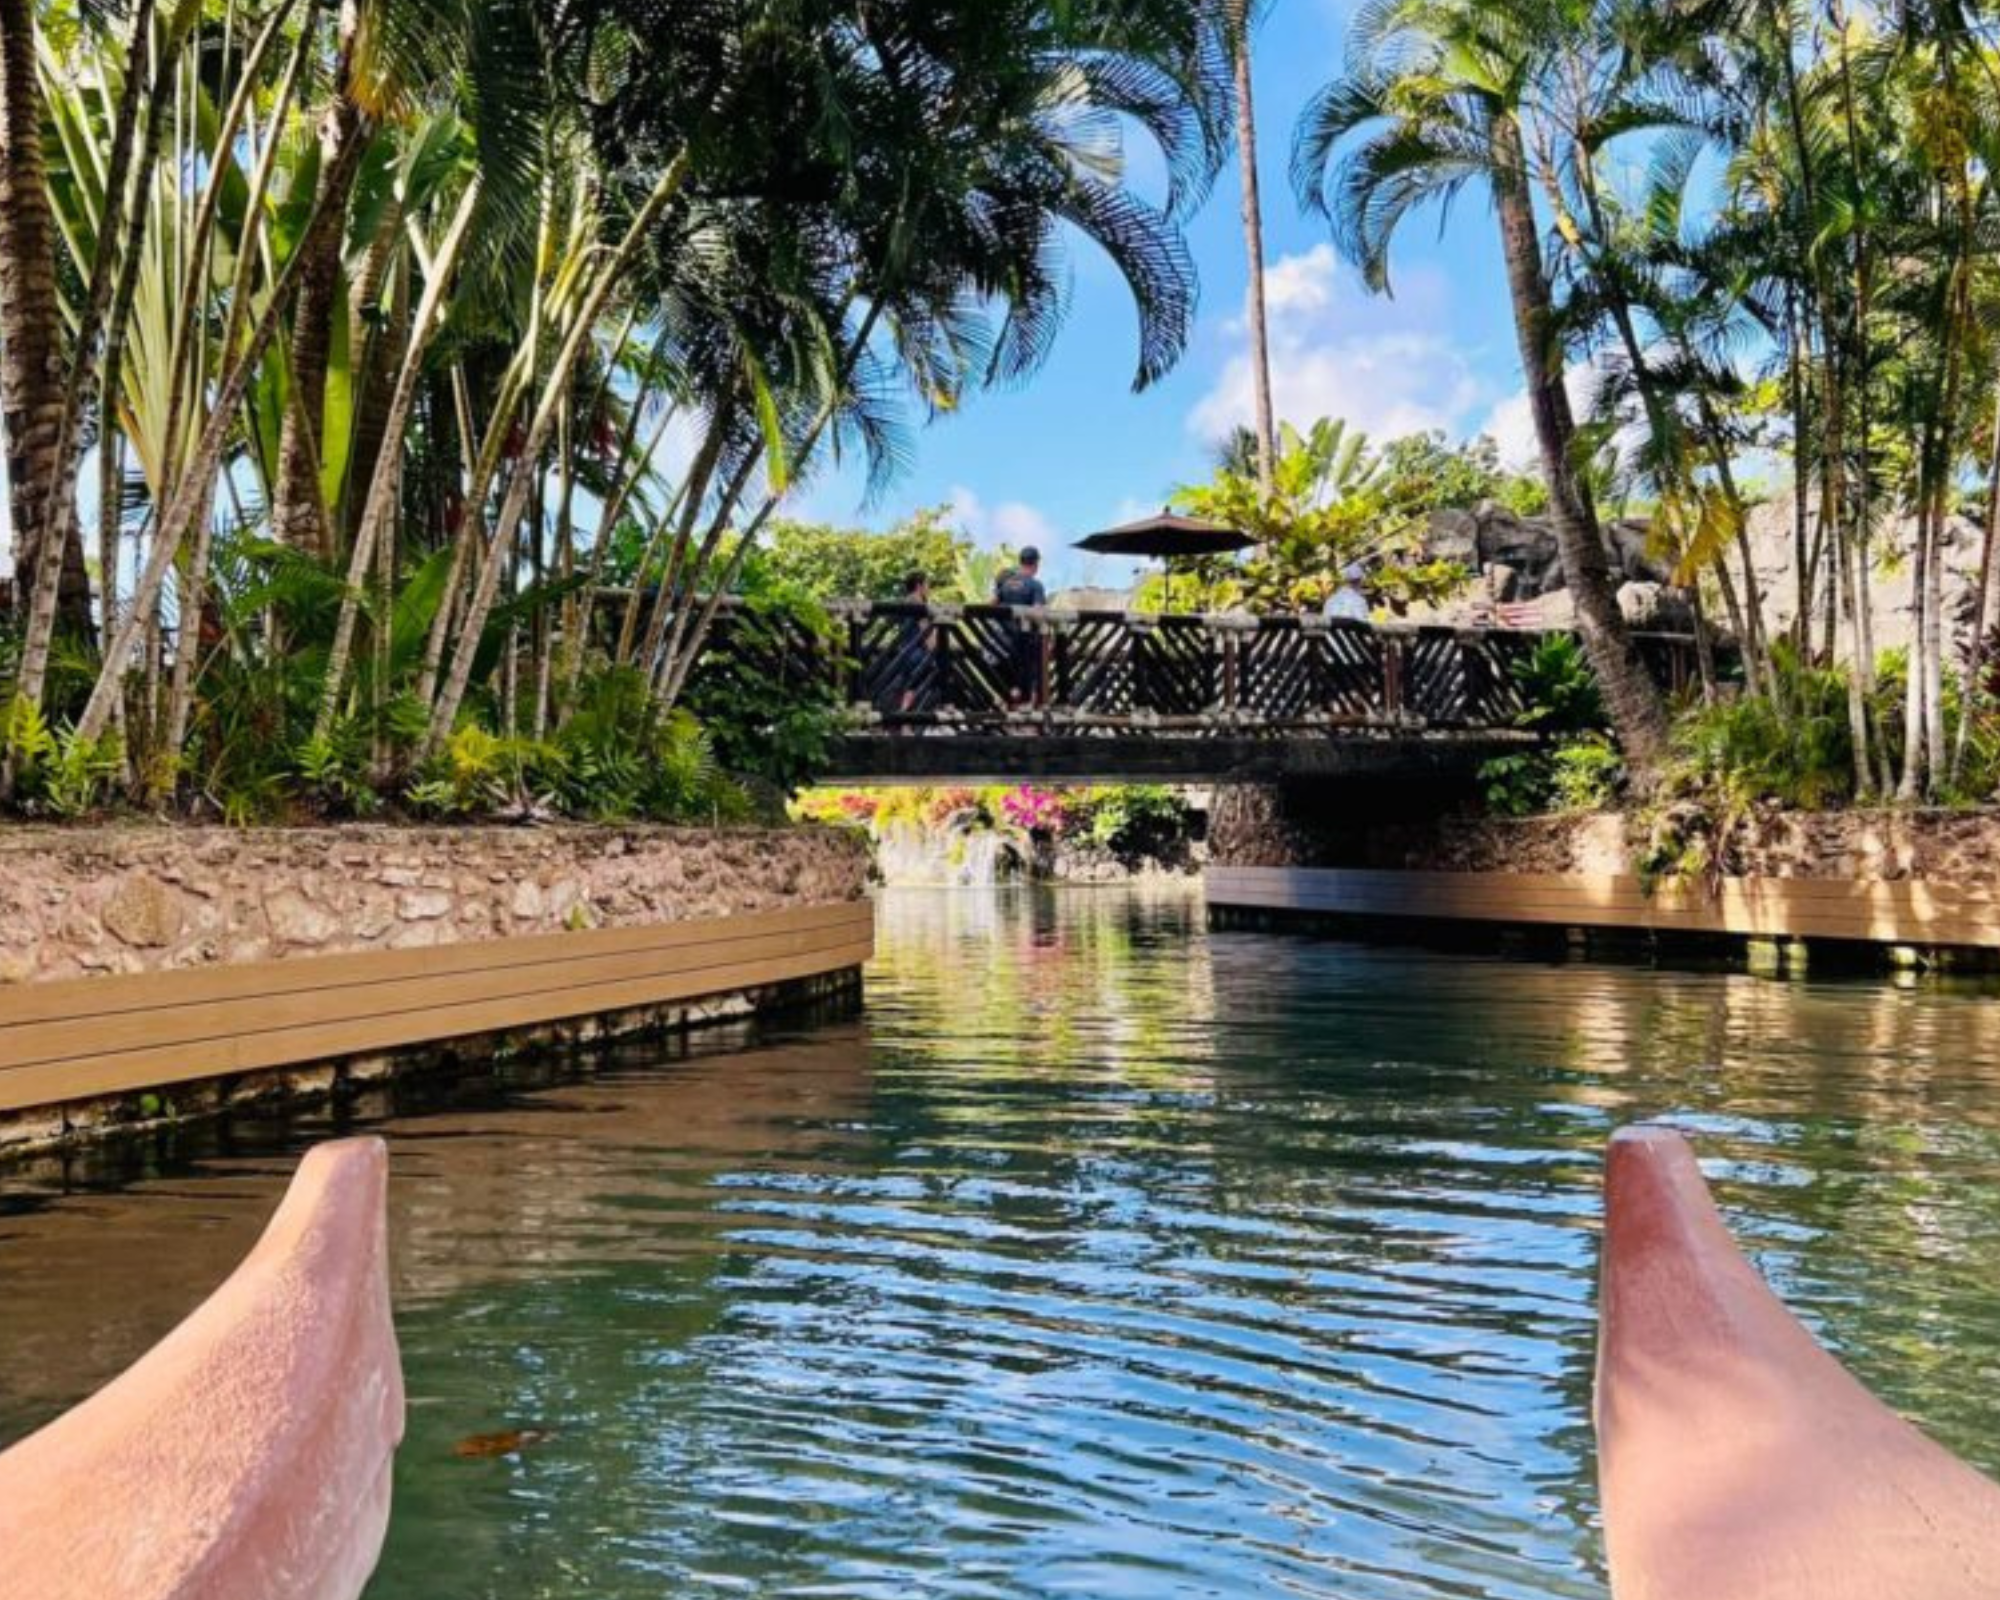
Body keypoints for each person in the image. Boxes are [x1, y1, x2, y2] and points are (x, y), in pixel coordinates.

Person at [994, 547, 1048, 706]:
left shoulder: (1005, 584)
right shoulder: (1035, 585)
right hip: (1026, 643)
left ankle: (1012, 717)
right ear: (1036, 564)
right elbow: (1039, 614)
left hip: (1004, 643)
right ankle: (1030, 716)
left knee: (1011, 684)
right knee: (1033, 682)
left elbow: (991, 605)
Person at [889, 571, 939, 719]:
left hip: (904, 651)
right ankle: (906, 722)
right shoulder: (917, 603)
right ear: (919, 585)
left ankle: (904, 723)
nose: (929, 588)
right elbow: (925, 628)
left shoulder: (904, 601)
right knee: (917, 688)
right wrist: (934, 649)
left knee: (908, 689)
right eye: (927, 584)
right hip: (917, 652)